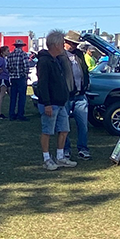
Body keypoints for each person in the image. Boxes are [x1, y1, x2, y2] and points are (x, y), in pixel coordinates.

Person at [35, 30, 77, 170]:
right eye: (62, 43)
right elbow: (43, 83)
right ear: (56, 44)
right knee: (47, 131)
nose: (63, 46)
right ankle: (46, 159)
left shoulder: (57, 60)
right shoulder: (44, 61)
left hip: (61, 102)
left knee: (64, 130)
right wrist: (46, 103)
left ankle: (60, 157)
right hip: (50, 103)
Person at [62, 31, 93, 160]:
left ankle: (83, 149)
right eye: (72, 44)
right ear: (66, 42)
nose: (74, 46)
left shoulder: (79, 55)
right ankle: (65, 149)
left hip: (80, 96)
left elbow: (85, 71)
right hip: (66, 96)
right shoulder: (60, 56)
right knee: (64, 125)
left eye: (76, 44)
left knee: (83, 125)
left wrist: (86, 85)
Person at [6, 40, 32, 121]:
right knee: (22, 97)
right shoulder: (23, 54)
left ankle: (11, 114)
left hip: (13, 78)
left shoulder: (10, 55)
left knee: (13, 97)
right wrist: (25, 74)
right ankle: (20, 114)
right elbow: (26, 66)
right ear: (21, 46)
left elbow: (8, 67)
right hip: (21, 77)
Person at [0, 46, 11, 120]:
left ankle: (12, 111)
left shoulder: (5, 59)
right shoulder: (1, 59)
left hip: (6, 78)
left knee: (11, 95)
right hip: (2, 79)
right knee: (2, 96)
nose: (9, 52)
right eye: (7, 51)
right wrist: (0, 69)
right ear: (3, 52)